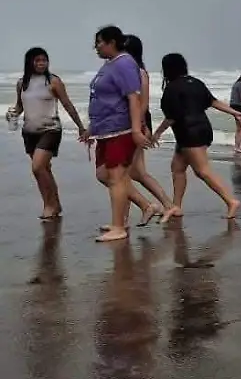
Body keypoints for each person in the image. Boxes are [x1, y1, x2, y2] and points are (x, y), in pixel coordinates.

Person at [149, 53, 241, 222]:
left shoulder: (172, 88)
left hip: (189, 133)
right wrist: (235, 112)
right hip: (201, 129)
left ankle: (231, 201)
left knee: (202, 171)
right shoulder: (196, 82)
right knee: (177, 167)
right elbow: (213, 101)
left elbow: (172, 117)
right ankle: (177, 206)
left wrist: (157, 133)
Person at [87, 25, 158, 242]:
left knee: (117, 177)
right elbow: (101, 98)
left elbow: (134, 98)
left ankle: (119, 226)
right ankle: (146, 205)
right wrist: (91, 128)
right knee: (103, 175)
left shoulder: (125, 63)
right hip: (104, 130)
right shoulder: (109, 64)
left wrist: (137, 129)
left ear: (112, 42)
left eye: (99, 42)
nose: (96, 47)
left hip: (120, 129)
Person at [8, 48, 86, 219]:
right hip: (29, 131)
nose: (41, 63)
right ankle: (53, 204)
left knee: (37, 167)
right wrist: (13, 114)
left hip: (50, 129)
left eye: (44, 60)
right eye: (37, 60)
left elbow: (67, 104)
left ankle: (50, 206)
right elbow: (20, 106)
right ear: (30, 62)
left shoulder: (53, 81)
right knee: (44, 170)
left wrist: (80, 126)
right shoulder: (22, 83)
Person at [122, 34, 173, 218]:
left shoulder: (138, 72)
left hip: (135, 123)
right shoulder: (133, 70)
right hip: (135, 122)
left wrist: (141, 127)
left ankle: (125, 218)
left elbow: (143, 103)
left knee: (125, 173)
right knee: (135, 173)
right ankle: (167, 205)